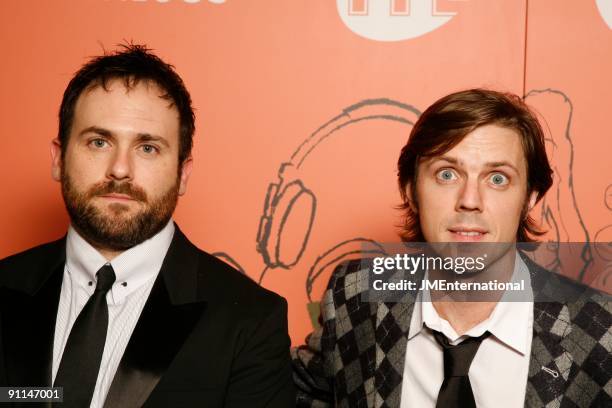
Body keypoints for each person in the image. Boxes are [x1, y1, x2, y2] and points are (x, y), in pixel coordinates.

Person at [0, 44, 295, 408]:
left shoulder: (249, 321)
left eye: (148, 148)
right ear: (59, 159)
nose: (120, 169)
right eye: (98, 141)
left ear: (183, 173)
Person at [292, 89, 611, 407]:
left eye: (497, 179)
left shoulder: (599, 332)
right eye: (447, 174)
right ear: (411, 190)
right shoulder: (355, 295)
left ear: (529, 198)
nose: (470, 200)